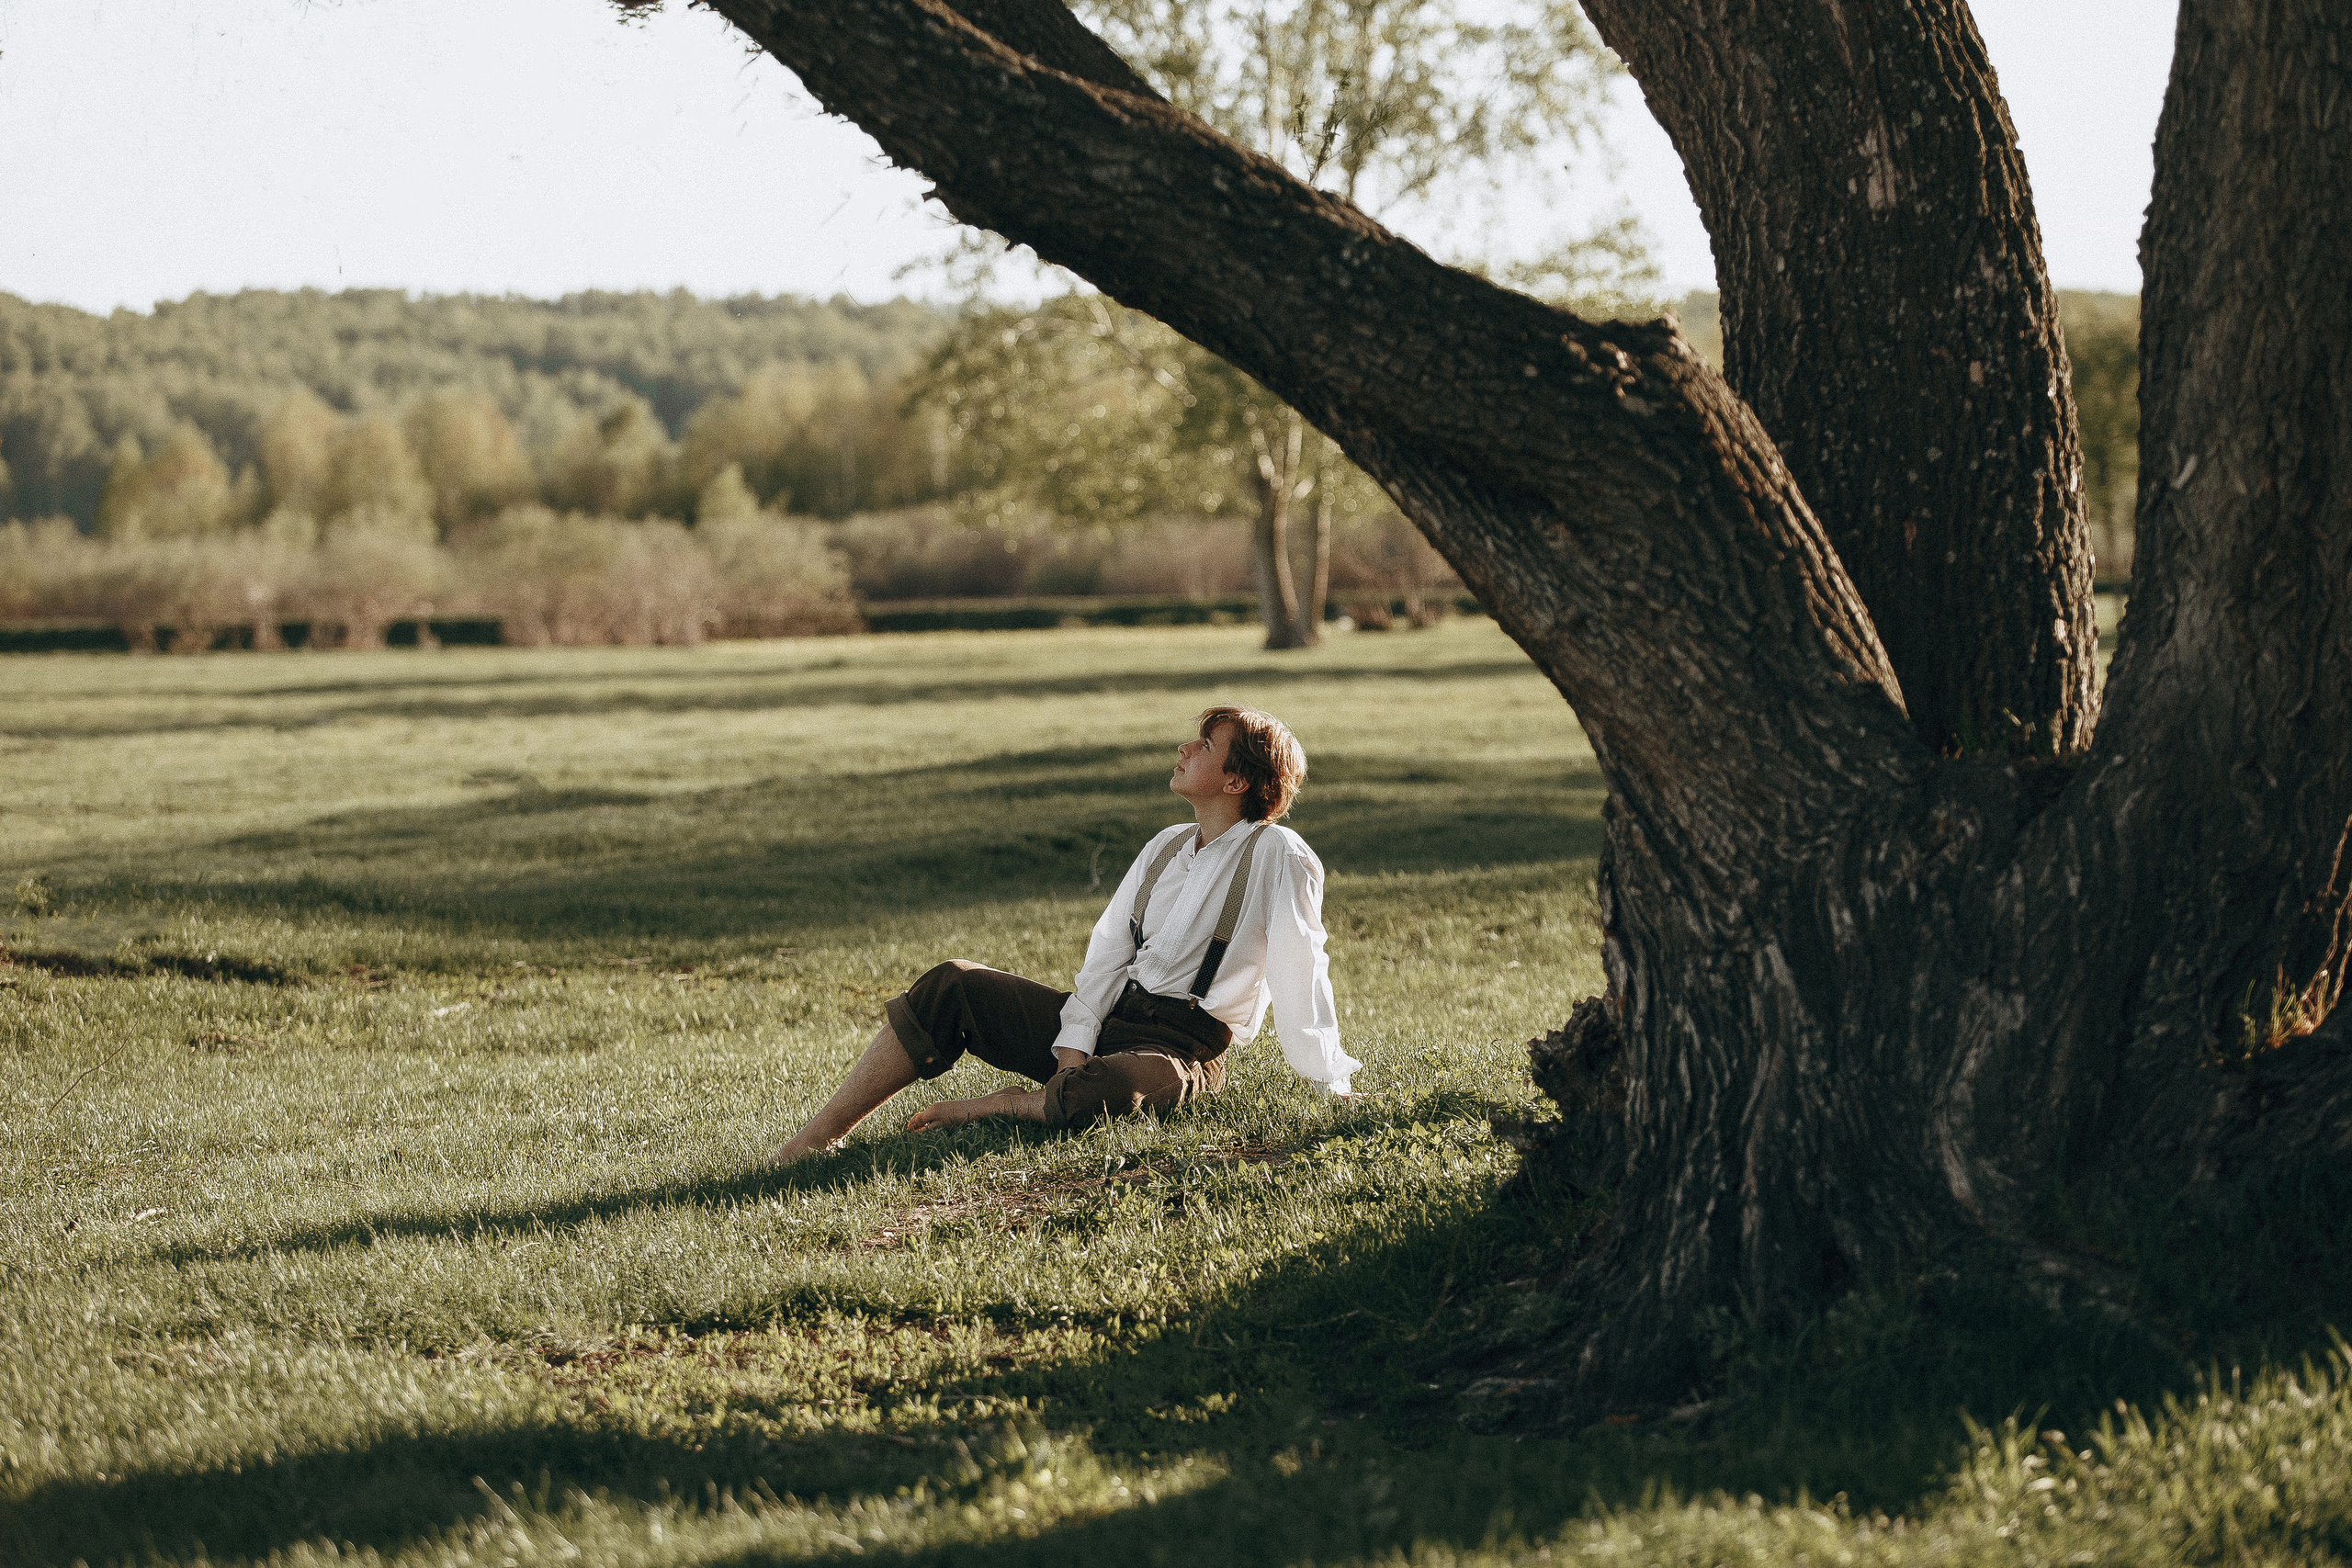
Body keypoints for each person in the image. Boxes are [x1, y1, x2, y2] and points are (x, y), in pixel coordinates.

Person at [766, 705, 1356, 1164]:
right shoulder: (1167, 845)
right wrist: (1074, 1040)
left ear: (1238, 782)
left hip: (1181, 1050)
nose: (1185, 747)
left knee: (1134, 1082)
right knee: (955, 983)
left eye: (1206, 745)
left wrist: (1326, 1077)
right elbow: (1109, 952)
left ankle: (1007, 1107)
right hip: (1109, 1019)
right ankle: (818, 1136)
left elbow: (1303, 965)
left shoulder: (1277, 854)